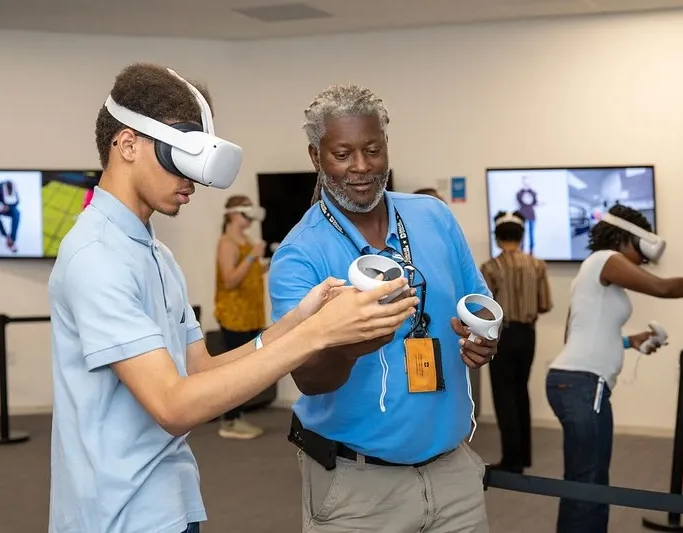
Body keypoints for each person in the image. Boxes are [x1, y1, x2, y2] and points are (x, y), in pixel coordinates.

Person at [47, 63, 419, 533]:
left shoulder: (153, 251)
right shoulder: (97, 256)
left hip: (167, 501)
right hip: (116, 515)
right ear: (127, 144)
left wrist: (299, 323)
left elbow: (200, 371)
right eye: (179, 157)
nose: (192, 181)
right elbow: (173, 406)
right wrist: (318, 336)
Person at [269, 83, 499, 533]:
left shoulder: (434, 216)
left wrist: (483, 337)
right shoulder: (299, 255)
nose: (361, 167)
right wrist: (351, 343)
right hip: (358, 489)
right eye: (342, 154)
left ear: (387, 146)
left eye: (373, 150)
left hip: (454, 475)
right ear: (316, 157)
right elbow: (309, 379)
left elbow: (480, 303)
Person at [546, 203, 683, 533]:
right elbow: (662, 287)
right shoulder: (605, 259)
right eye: (641, 249)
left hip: (576, 383)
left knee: (584, 483)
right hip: (583, 385)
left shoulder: (591, 270)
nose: (644, 259)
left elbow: (576, 336)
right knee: (589, 486)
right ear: (624, 238)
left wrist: (629, 341)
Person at [480, 210, 553, 473]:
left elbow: (485, 308)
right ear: (522, 236)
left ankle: (511, 460)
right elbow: (545, 304)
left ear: (497, 238)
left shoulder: (490, 268)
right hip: (528, 334)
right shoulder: (537, 265)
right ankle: (523, 456)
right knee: (521, 391)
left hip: (502, 334)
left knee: (504, 394)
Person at [214, 194, 269, 439]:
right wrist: (252, 256)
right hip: (234, 316)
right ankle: (230, 421)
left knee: (247, 370)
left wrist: (267, 261)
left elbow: (249, 274)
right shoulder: (227, 243)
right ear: (235, 215)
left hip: (250, 314)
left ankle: (237, 417)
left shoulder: (246, 240)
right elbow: (230, 280)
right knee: (235, 371)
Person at [515, 176, 538, 254]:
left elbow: (535, 202)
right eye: (525, 181)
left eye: (528, 181)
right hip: (522, 215)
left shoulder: (533, 193)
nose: (527, 182)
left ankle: (531, 250)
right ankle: (521, 250)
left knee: (531, 233)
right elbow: (518, 202)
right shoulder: (519, 193)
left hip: (531, 215)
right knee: (522, 233)